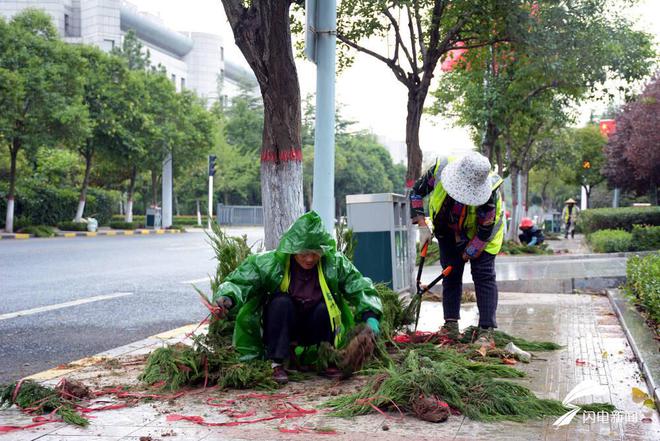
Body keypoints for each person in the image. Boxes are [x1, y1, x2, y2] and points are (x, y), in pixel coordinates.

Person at [212, 211, 382, 384]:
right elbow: (241, 281)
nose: (309, 259)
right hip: (282, 327)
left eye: (315, 253)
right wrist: (228, 298)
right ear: (292, 250)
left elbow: (359, 285)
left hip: (314, 326)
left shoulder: (335, 263)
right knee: (280, 302)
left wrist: (371, 317)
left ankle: (326, 358)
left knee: (325, 309)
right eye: (303, 253)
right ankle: (277, 363)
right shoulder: (270, 263)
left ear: (323, 250)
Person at [410, 152, 504, 345]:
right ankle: (450, 325)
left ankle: (486, 330)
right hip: (447, 228)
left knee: (483, 274)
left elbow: (484, 233)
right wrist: (421, 223)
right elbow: (416, 192)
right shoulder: (440, 168)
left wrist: (466, 254)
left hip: (482, 235)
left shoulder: (489, 195)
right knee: (450, 275)